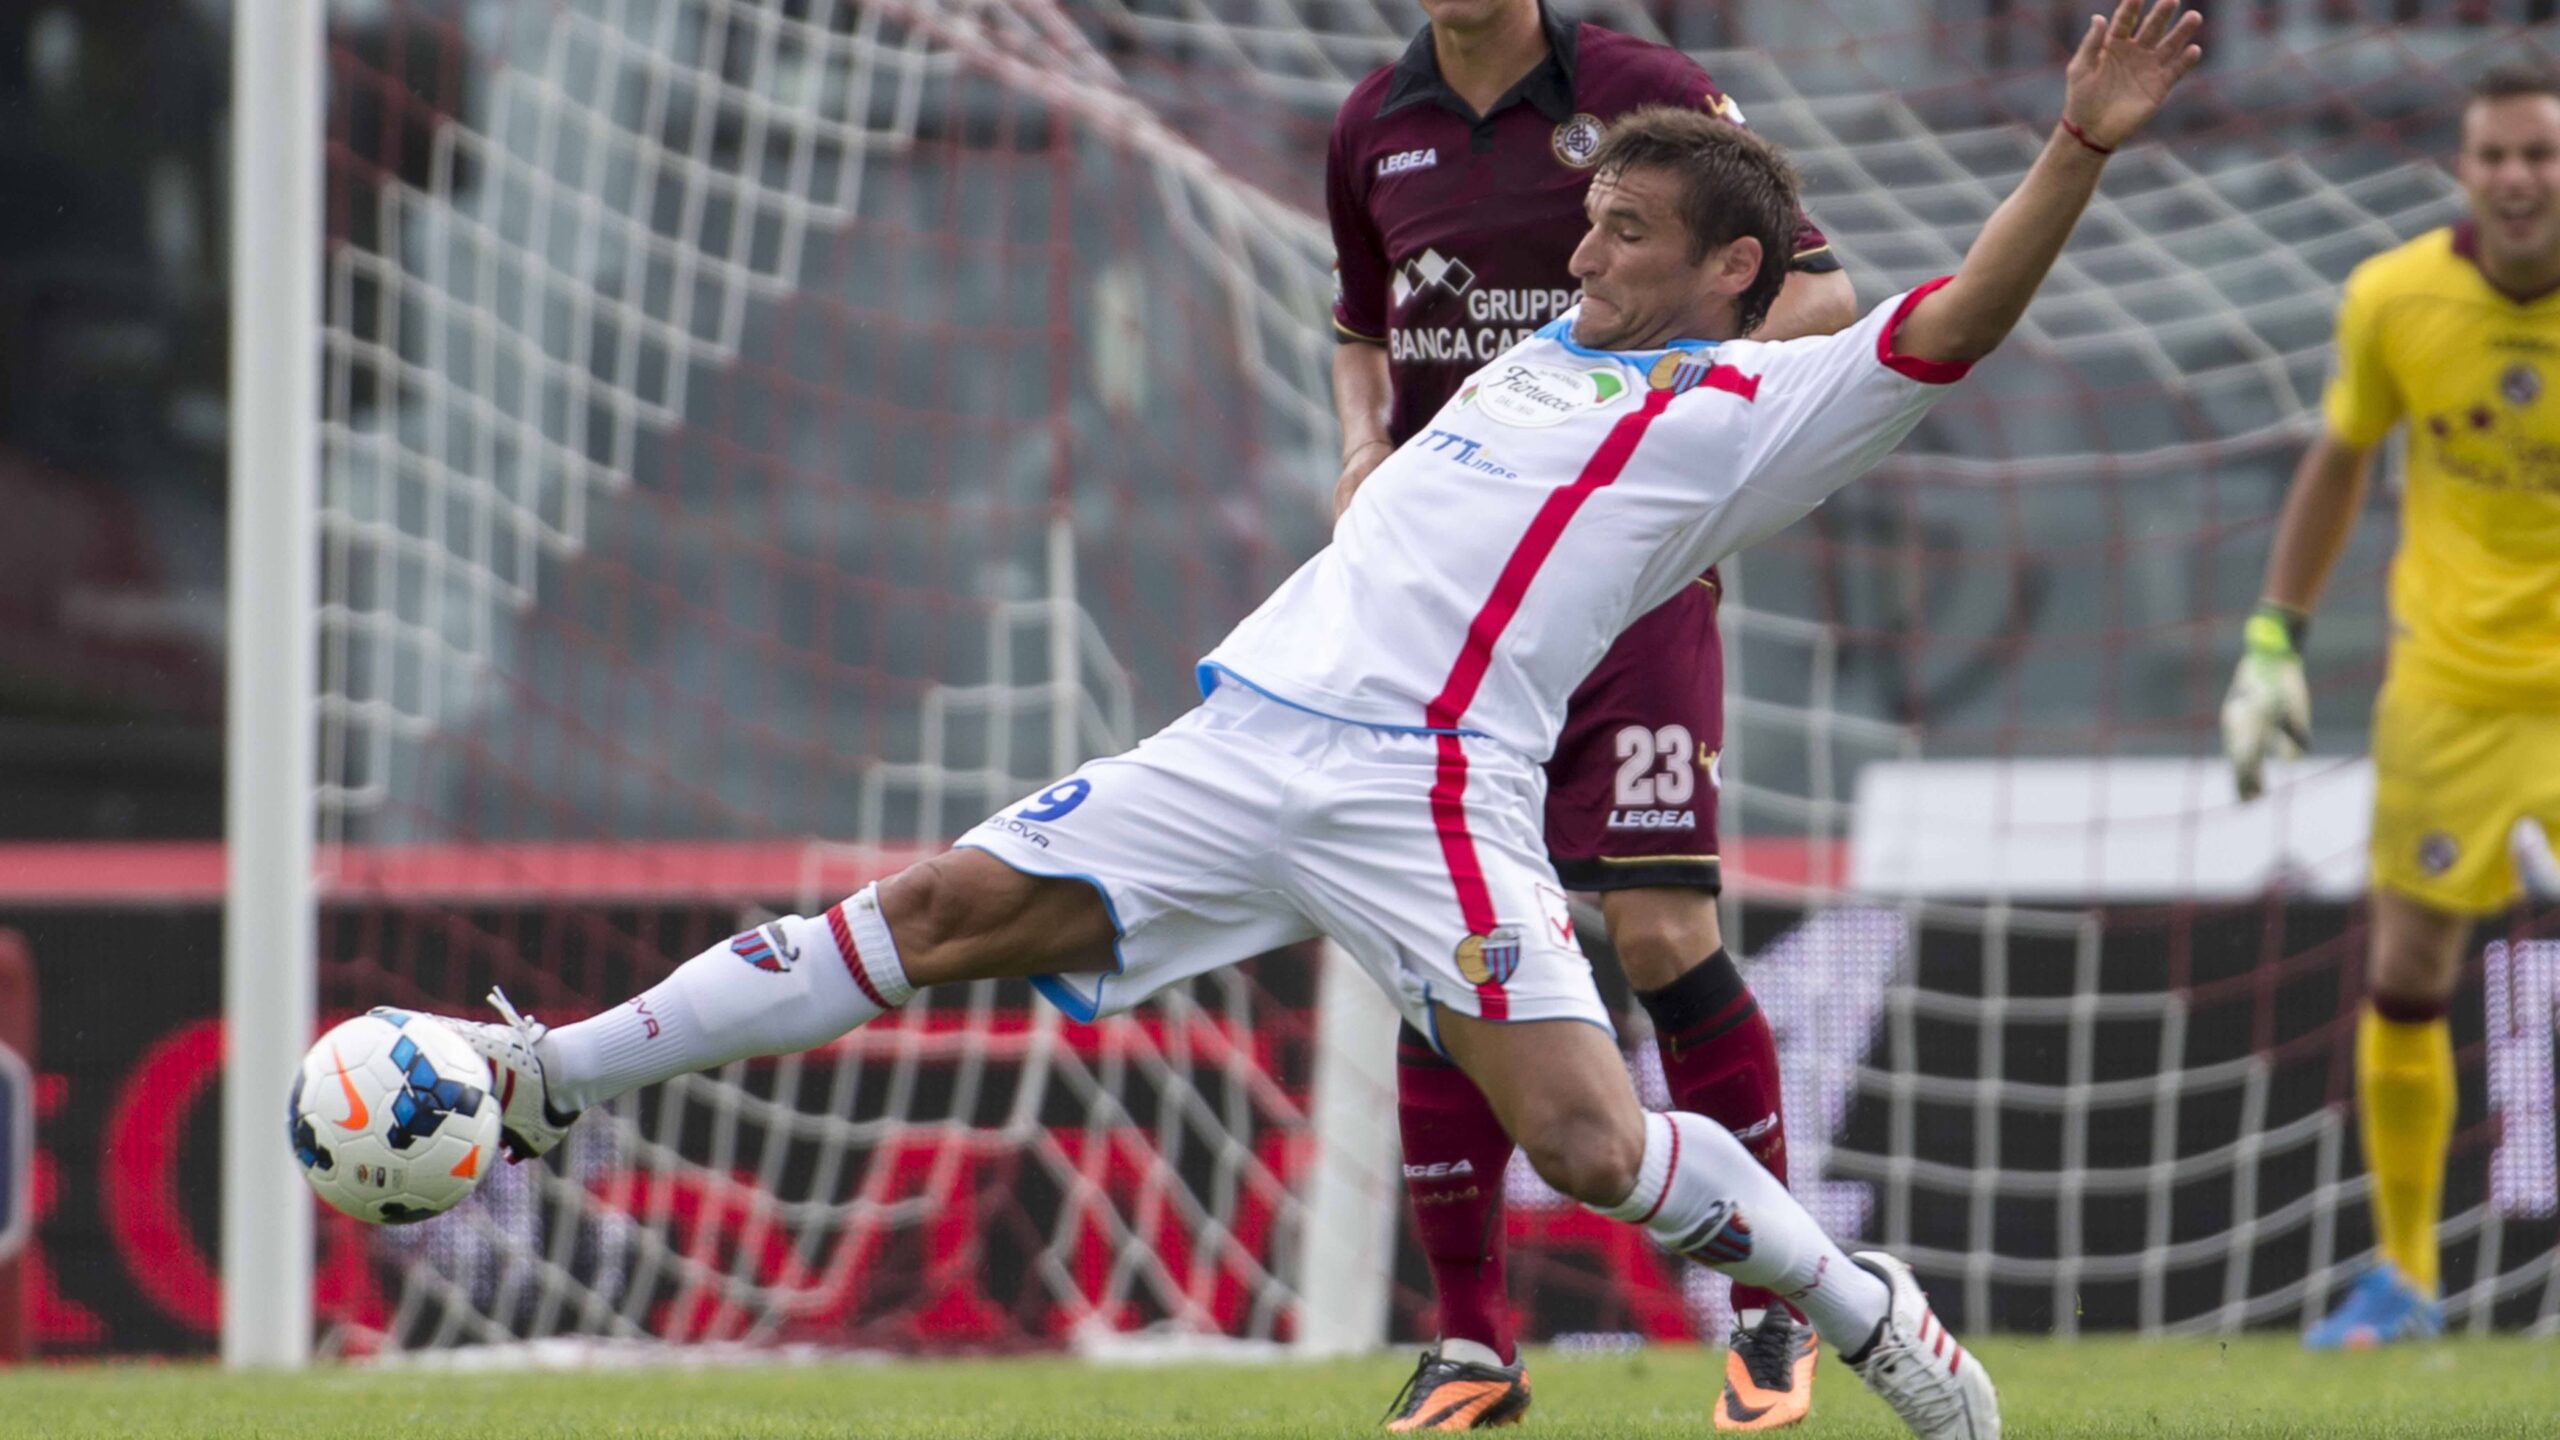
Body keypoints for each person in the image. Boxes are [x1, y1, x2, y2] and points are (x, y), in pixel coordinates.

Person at [441, 7, 2202, 1436]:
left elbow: (1958, 320)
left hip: (1430, 792)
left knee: (1592, 1149)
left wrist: (2079, 146)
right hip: (1242, 736)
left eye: (1629, 231)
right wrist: (1365, 426)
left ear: (1735, 267)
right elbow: (1390, 335)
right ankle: (547, 1075)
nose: (1582, 249)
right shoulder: (1534, 350)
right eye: (1590, 217)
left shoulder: (1753, 412)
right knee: (934, 911)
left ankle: (1857, 1305)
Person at [1322, 2, 1855, 1427]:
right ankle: (1473, 1348)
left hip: (1621, 571)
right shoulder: (1372, 122)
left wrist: (1636, 410)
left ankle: (1765, 1316)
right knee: (1453, 943)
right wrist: (1367, 443)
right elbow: (1361, 331)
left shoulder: (1640, 88)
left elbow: (1815, 292)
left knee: (1664, 927)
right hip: (1445, 604)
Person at [2222, 61, 2560, 1352]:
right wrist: (2273, 642)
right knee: (2409, 976)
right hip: (2451, 691)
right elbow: (2340, 462)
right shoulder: (2396, 296)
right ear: (2464, 170)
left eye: (2542, 153)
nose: (2520, 177)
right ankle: (2407, 1278)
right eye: (2498, 156)